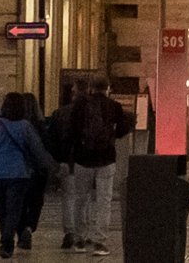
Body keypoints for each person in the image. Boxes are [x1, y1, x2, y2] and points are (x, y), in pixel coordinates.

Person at [0, 92, 58, 260]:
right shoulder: (25, 126)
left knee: (3, 210)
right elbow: (38, 150)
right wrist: (52, 166)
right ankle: (7, 243)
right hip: (18, 174)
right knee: (14, 209)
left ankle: (6, 241)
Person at [66, 78, 132, 254]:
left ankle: (80, 240)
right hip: (106, 159)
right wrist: (111, 136)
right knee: (104, 201)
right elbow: (124, 129)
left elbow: (71, 130)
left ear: (91, 89)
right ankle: (100, 242)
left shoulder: (80, 106)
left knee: (81, 199)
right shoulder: (114, 106)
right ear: (108, 89)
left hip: (83, 158)